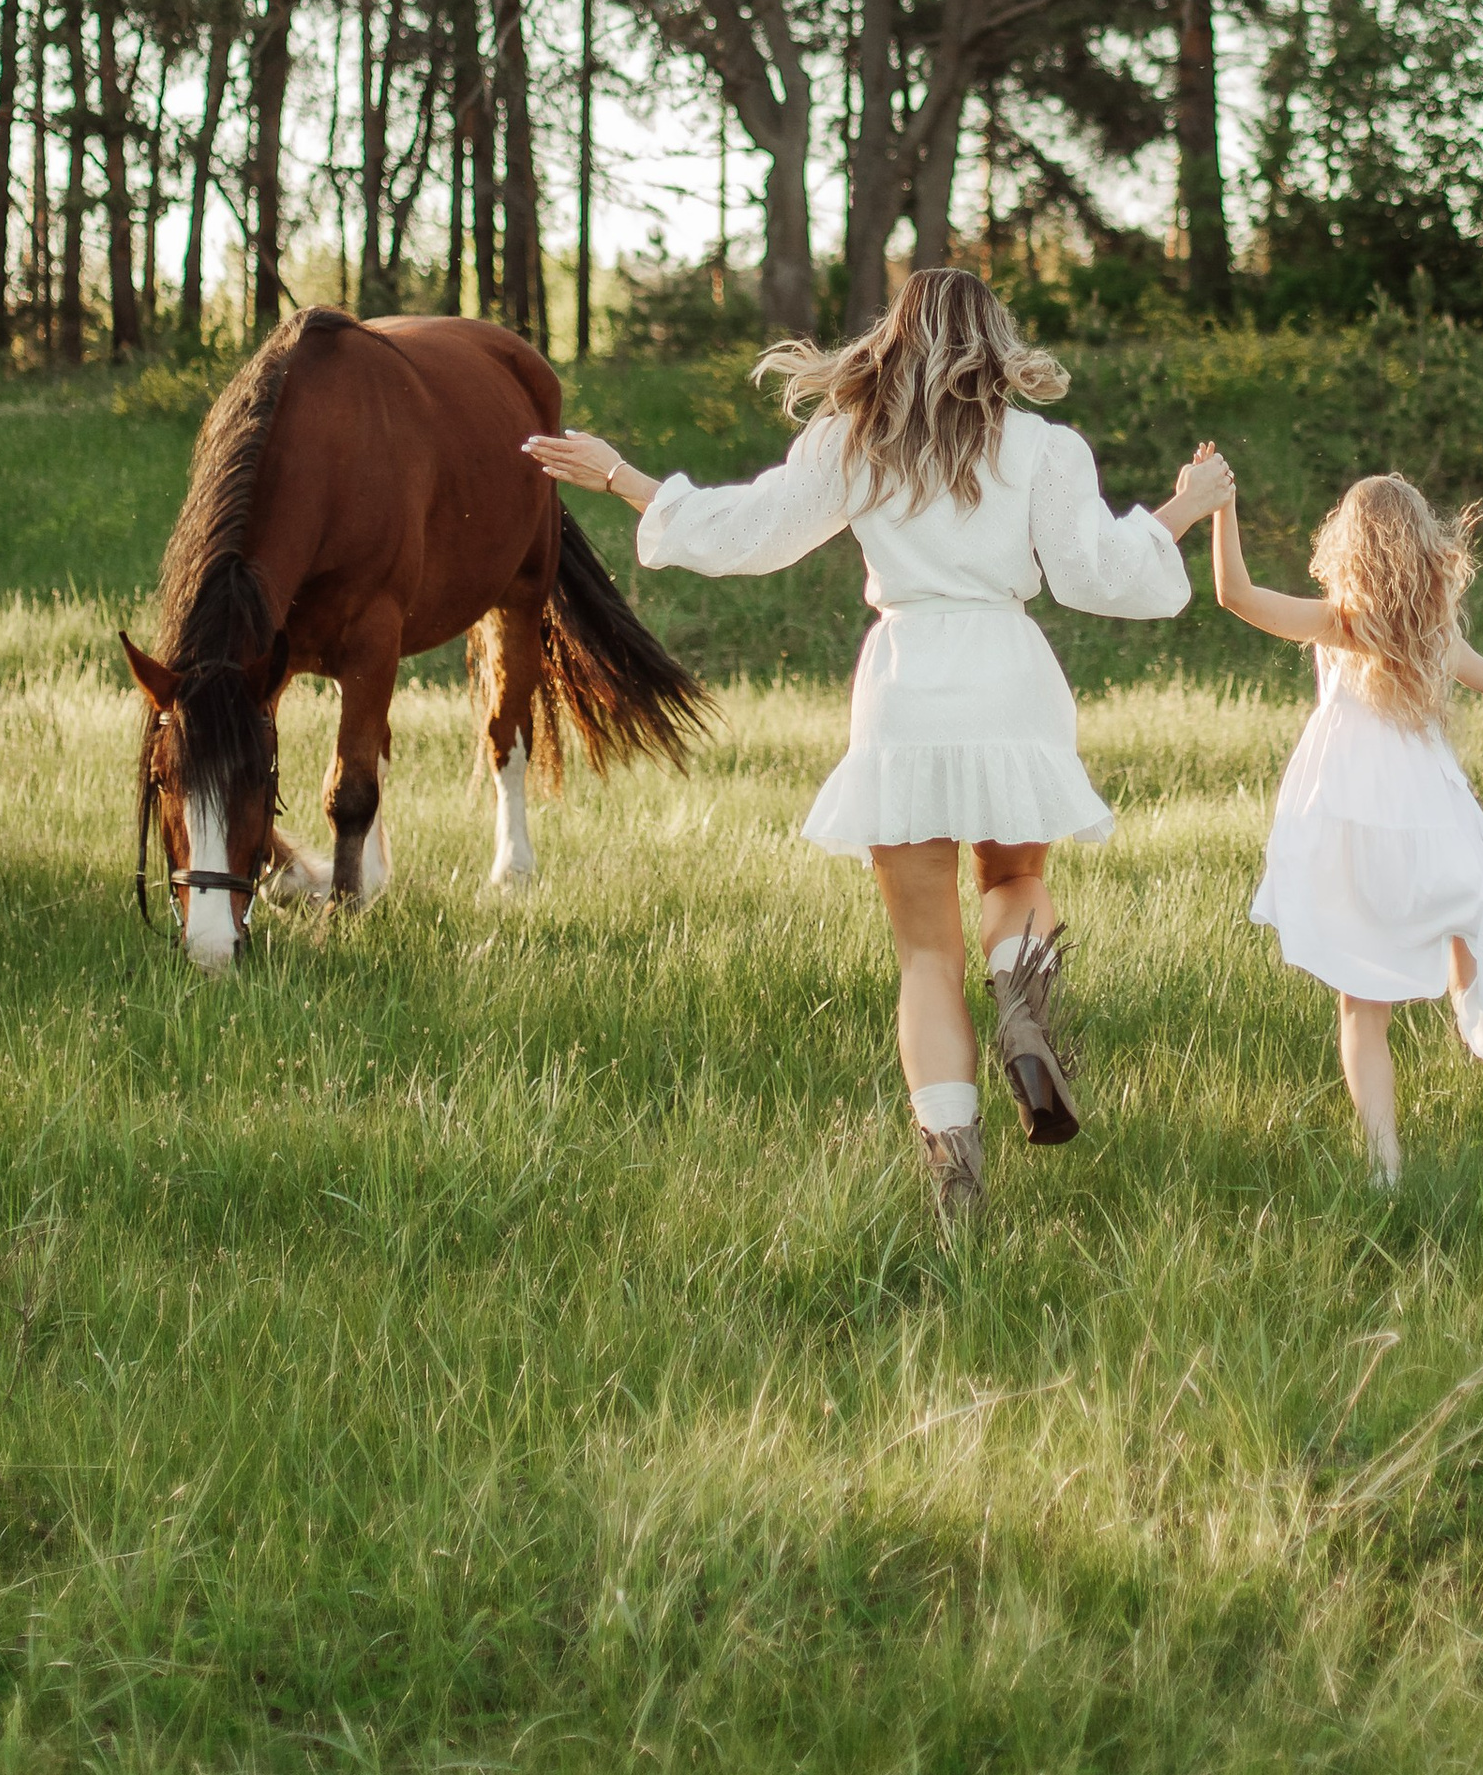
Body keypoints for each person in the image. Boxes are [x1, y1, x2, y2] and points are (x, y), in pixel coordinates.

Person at [525, 267, 1230, 1230]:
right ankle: (1024, 1009)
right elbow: (1095, 574)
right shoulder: (1043, 448)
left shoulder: (852, 442)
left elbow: (749, 533)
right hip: (1007, 680)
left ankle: (956, 1186)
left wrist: (622, 476)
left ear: (893, 339)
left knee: (925, 957)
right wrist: (1183, 507)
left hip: (904, 687)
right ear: (996, 343)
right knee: (1012, 884)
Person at [1207, 464, 1483, 1184]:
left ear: (1348, 550)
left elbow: (1235, 595)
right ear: (1423, 549)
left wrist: (1223, 508)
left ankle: (1385, 1162)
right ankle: (1459, 967)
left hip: (1351, 808)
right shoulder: (1432, 636)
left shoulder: (1341, 624)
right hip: (1427, 808)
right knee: (1467, 907)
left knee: (1362, 1003)